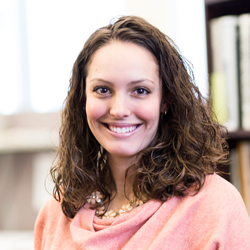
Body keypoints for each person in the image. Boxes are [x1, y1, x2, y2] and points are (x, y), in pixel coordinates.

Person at [34, 16, 250, 249]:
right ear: (83, 99)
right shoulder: (57, 210)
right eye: (102, 89)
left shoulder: (214, 205)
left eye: (140, 90)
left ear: (165, 100)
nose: (119, 110)